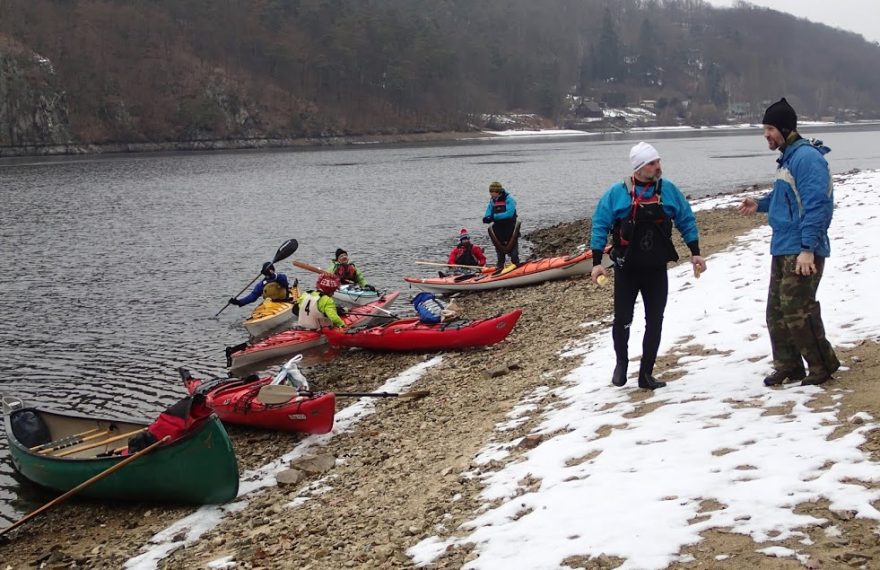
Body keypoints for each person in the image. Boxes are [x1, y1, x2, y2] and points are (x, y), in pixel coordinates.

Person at [737, 97, 840, 387]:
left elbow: (818, 206)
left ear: (784, 127)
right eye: (764, 129)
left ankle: (822, 365)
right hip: (783, 246)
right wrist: (758, 204)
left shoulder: (807, 158)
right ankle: (789, 366)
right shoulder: (789, 157)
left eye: (769, 128)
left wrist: (808, 249)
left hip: (802, 248)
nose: (766, 135)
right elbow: (786, 198)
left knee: (798, 309)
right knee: (777, 311)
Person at [590, 142, 706, 390]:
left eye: (658, 161)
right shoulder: (617, 193)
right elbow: (600, 224)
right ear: (640, 167)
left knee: (655, 320)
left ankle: (646, 374)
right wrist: (596, 263)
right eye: (652, 163)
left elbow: (686, 219)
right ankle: (621, 364)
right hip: (626, 268)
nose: (658, 167)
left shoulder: (668, 191)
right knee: (622, 319)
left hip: (655, 269)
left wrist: (695, 253)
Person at [482, 181, 520, 271]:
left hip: (510, 228)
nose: (491, 194)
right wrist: (487, 218)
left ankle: (516, 265)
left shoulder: (509, 199)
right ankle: (500, 267)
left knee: (514, 252)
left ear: (497, 191)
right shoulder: (492, 201)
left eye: (492, 192)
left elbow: (509, 214)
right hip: (498, 230)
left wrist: (495, 217)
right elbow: (488, 212)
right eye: (490, 192)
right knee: (500, 251)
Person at [229, 262, 295, 307]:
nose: (267, 275)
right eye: (265, 273)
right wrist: (239, 302)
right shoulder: (262, 284)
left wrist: (271, 275)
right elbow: (253, 296)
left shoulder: (280, 276)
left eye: (268, 272)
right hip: (270, 304)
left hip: (284, 300)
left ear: (272, 270)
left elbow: (284, 282)